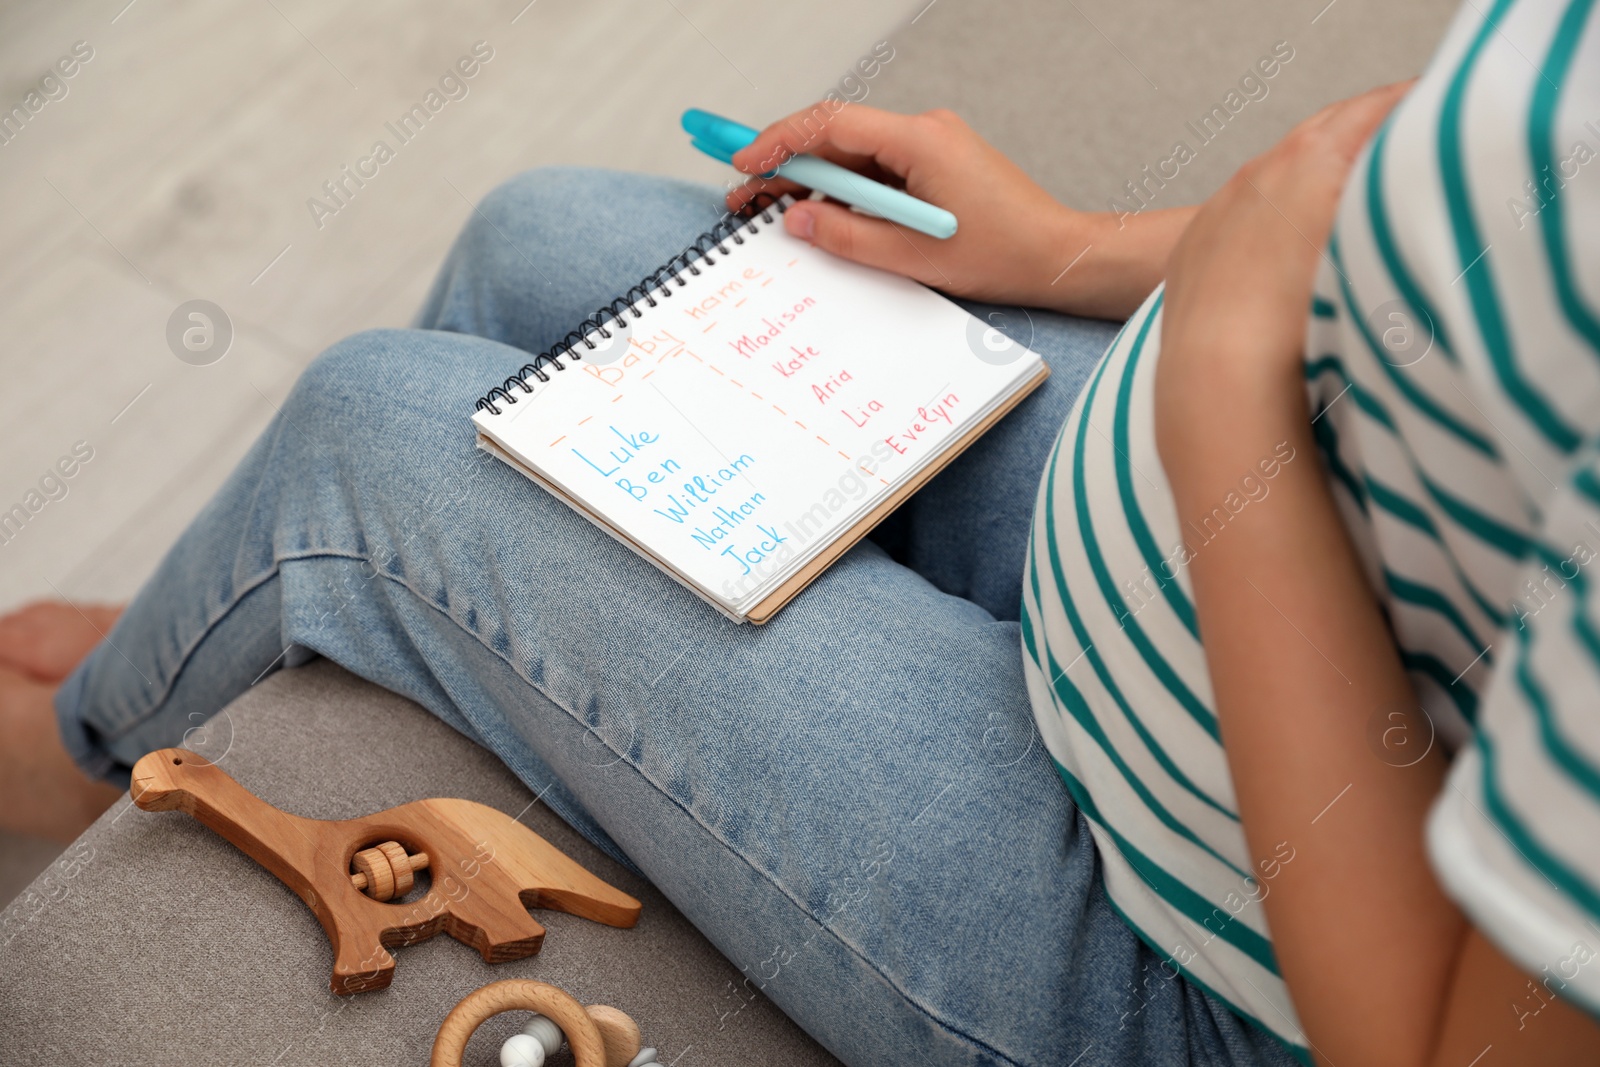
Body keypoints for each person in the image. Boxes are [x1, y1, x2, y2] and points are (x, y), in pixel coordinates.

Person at [4, 0, 1598, 1061]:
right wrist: (1078, 248)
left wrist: (1229, 404)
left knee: (373, 433)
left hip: (1211, 938)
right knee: (538, 234)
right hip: (1235, 515)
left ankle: (97, 758)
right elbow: (1447, 177)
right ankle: (203, 645)